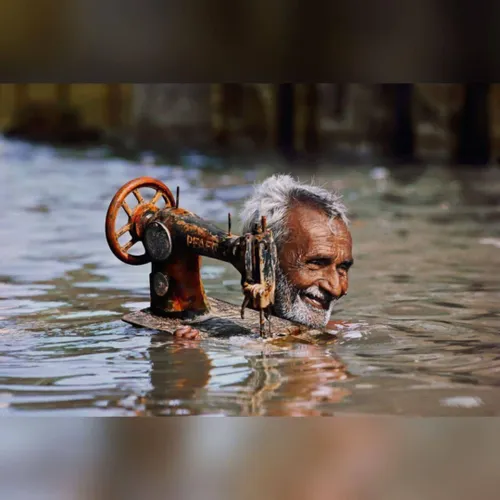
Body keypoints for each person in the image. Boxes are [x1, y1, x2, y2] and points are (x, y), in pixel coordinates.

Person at [174, 174, 353, 340]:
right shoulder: (199, 339)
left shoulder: (345, 332)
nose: (336, 289)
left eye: (343, 268)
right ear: (262, 256)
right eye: (316, 263)